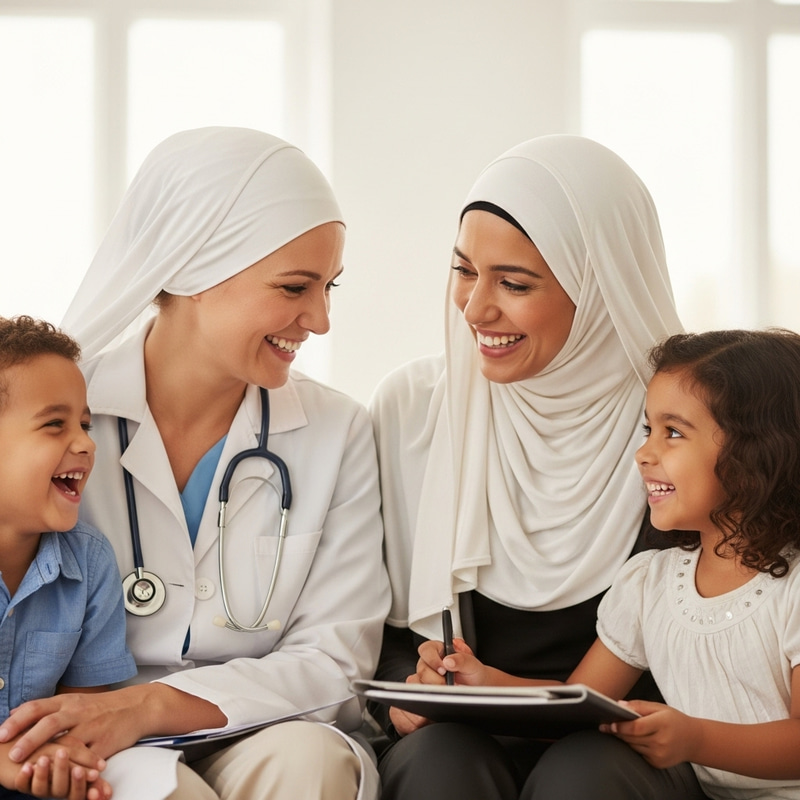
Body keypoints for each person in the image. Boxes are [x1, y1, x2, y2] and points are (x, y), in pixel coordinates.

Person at [0, 128, 391, 800]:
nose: (321, 319)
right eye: (296, 286)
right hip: (94, 731)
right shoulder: (58, 417)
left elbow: (334, 661)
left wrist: (154, 706)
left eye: (330, 287)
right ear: (190, 272)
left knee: (308, 765)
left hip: (262, 724)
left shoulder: (340, 431)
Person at [368, 134, 684, 799]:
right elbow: (385, 631)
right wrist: (407, 694)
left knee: (585, 776)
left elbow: (722, 635)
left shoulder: (679, 429)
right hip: (456, 744)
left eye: (513, 283)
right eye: (463, 270)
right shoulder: (415, 409)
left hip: (626, 749)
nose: (475, 308)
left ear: (601, 288)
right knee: (439, 765)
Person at [424, 328, 800, 799]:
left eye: (674, 432)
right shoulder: (650, 582)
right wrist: (485, 681)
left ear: (759, 451)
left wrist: (696, 738)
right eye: (648, 429)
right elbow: (579, 706)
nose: (644, 453)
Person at [0, 316, 136, 800]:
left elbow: (87, 710)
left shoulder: (91, 562)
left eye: (84, 423)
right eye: (55, 424)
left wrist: (63, 760)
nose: (85, 442)